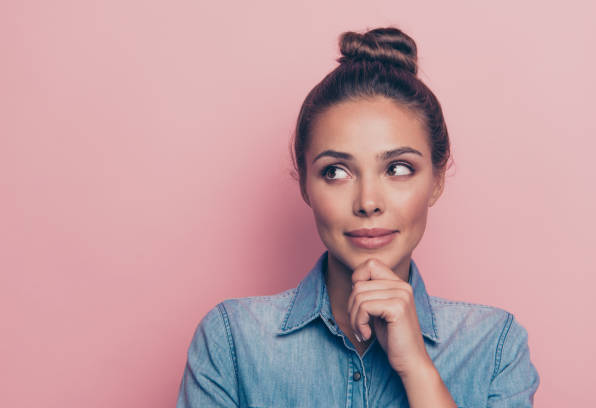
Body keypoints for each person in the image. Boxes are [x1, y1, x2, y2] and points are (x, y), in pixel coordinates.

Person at [176, 26, 540, 407]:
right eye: (335, 171)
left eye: (398, 168)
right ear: (305, 185)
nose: (368, 202)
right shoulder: (234, 341)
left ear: (436, 180)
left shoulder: (494, 345)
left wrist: (417, 368)